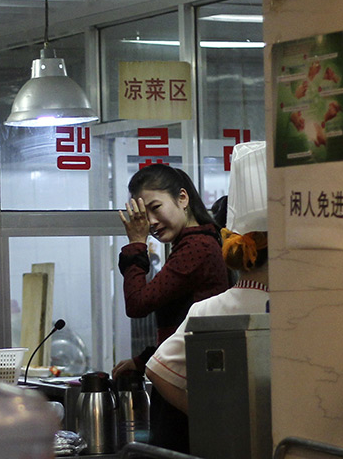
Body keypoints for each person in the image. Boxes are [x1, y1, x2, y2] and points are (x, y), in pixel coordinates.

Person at [145, 141, 269, 415]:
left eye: (155, 208)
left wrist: (211, 418)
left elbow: (157, 369)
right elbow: (141, 303)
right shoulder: (199, 252)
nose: (151, 222)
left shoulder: (208, 308)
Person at [114, 163, 229, 453]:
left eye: (155, 207)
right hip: (185, 377)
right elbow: (183, 325)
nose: (150, 221)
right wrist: (143, 360)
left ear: (182, 198)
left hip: (188, 384)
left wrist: (136, 244)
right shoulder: (194, 242)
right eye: (143, 214)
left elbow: (138, 303)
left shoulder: (197, 247)